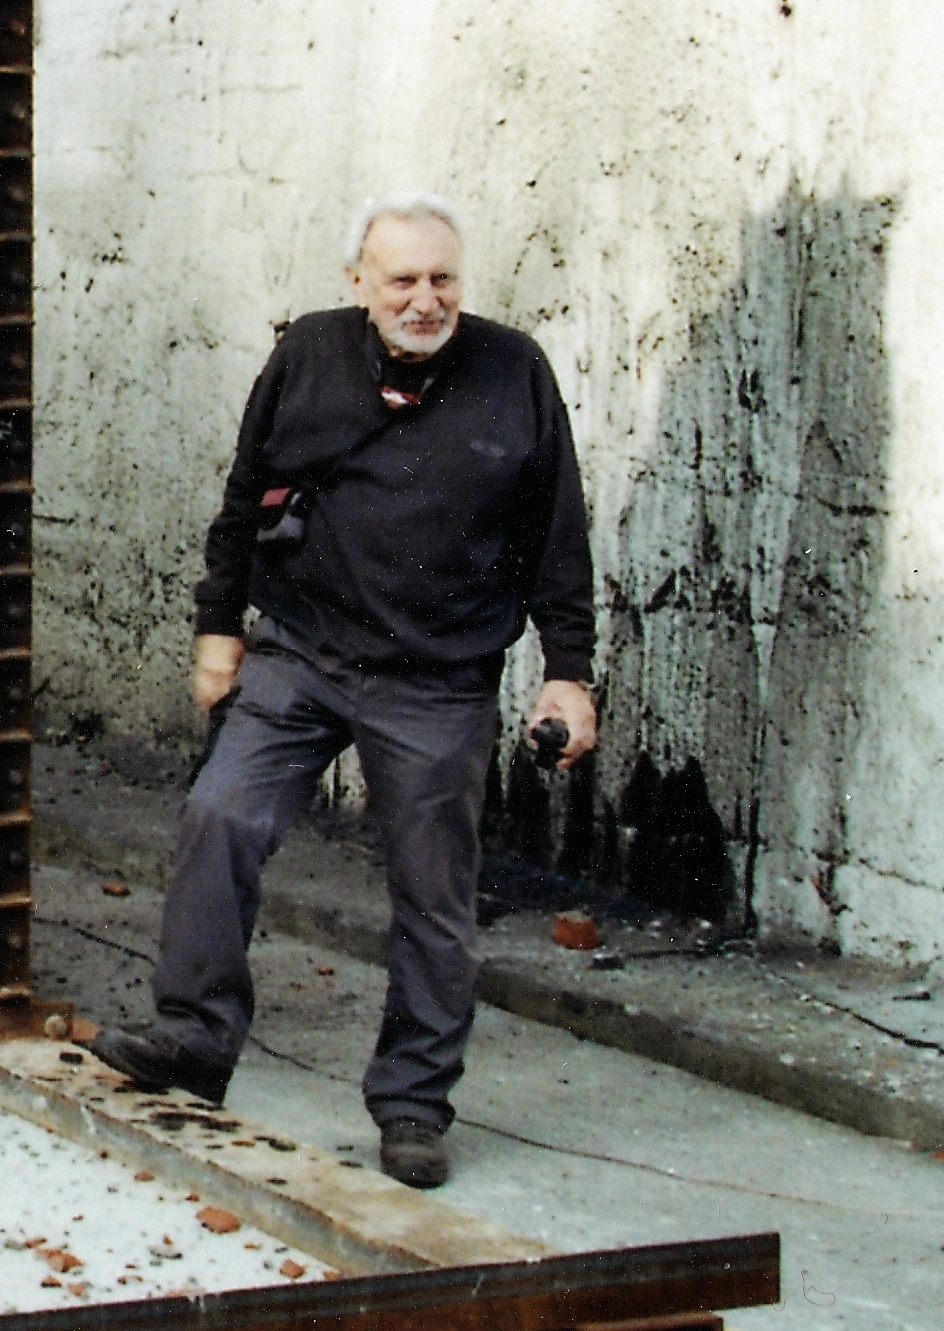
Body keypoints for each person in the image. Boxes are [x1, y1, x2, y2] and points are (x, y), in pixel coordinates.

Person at [91, 196, 596, 1191]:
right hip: (302, 651)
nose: (423, 299)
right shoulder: (309, 355)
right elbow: (244, 491)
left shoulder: (513, 371)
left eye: (441, 279)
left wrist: (567, 674)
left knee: (433, 893)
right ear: (358, 282)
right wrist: (216, 627)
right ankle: (192, 1040)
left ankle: (412, 1103)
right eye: (400, 279)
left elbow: (556, 532)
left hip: (436, 676)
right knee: (219, 816)